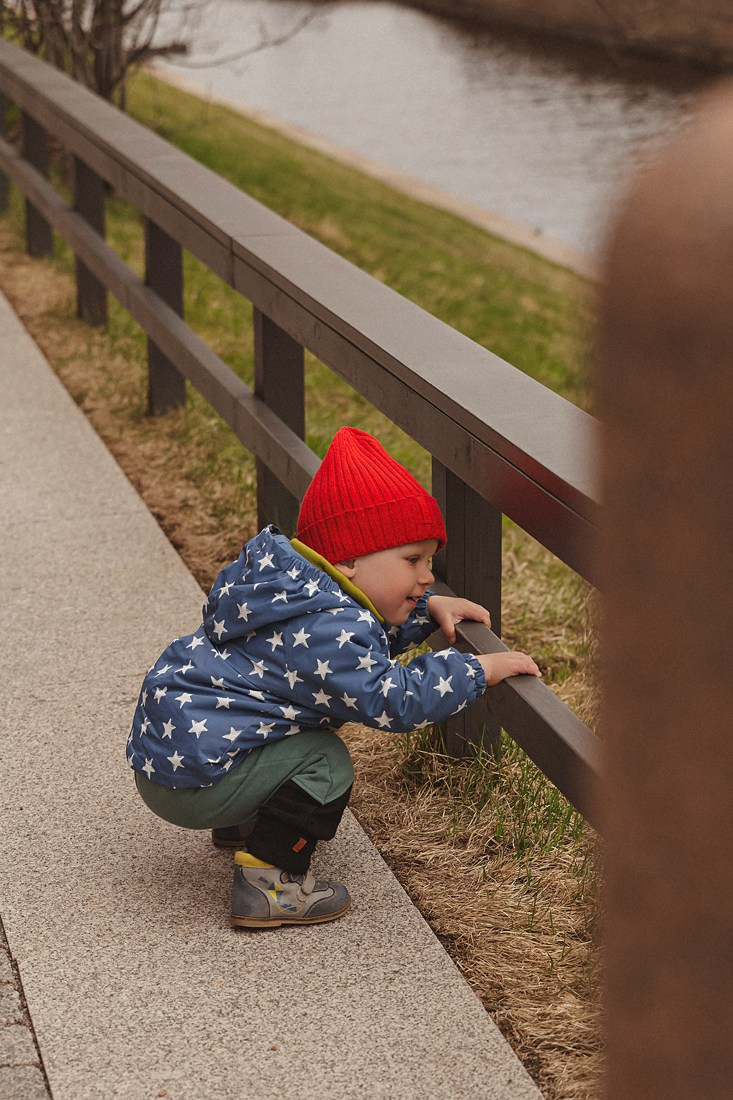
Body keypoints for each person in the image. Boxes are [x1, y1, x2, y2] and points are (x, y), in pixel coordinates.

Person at [127, 426, 540, 929]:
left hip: (173, 760)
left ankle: (243, 824)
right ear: (347, 560)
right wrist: (477, 669)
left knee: (275, 722)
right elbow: (394, 699)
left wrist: (425, 608)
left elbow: (352, 649)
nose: (427, 574)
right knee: (325, 761)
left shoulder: (292, 590)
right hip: (195, 782)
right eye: (412, 560)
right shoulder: (332, 625)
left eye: (429, 561)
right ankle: (270, 886)